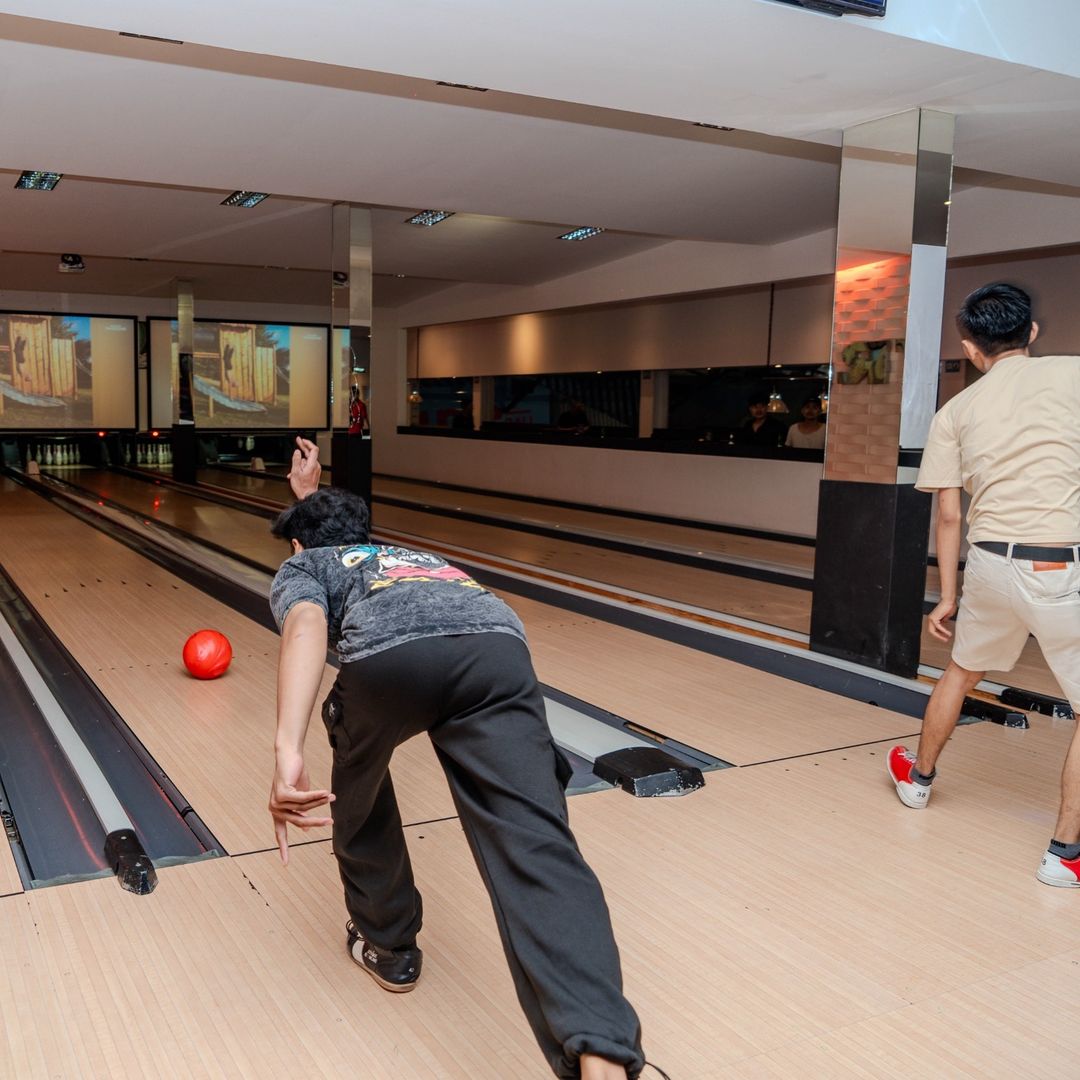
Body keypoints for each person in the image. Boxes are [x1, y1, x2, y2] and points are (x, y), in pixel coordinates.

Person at [266, 437, 657, 1080]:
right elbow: (337, 534)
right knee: (538, 843)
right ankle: (603, 1051)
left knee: (355, 791)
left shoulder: (305, 566)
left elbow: (306, 622)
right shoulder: (416, 556)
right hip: (496, 653)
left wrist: (287, 749)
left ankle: (389, 946)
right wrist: (309, 497)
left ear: (298, 549)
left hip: (390, 663)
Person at [888, 283, 1080, 888]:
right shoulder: (1074, 376)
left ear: (971, 349)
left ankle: (918, 780)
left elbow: (949, 515)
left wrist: (948, 595)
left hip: (989, 566)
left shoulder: (955, 411)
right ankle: (1064, 855)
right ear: (1032, 334)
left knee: (962, 671)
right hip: (1057, 567)